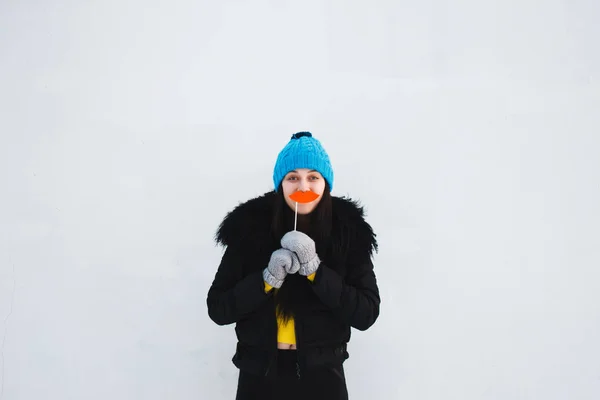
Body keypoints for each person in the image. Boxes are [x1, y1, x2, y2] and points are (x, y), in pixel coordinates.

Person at [206, 131, 380, 399]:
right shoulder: (248, 230)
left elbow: (366, 313)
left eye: (313, 177)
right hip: (259, 376)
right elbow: (219, 309)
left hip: (323, 378)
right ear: (281, 183)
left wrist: (316, 271)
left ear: (325, 183)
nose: (303, 187)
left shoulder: (348, 233)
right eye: (292, 178)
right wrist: (266, 280)